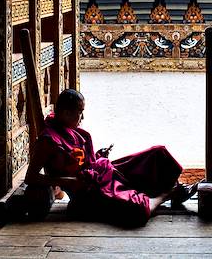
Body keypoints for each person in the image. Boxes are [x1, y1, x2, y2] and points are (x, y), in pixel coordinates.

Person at [24, 89, 197, 227]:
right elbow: (30, 177)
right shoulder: (48, 141)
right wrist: (69, 182)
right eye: (79, 112)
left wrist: (99, 155)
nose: (82, 117)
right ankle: (167, 195)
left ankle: (165, 190)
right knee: (138, 211)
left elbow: (86, 162)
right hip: (88, 191)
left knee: (158, 153)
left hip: (101, 172)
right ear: (65, 112)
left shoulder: (72, 130)